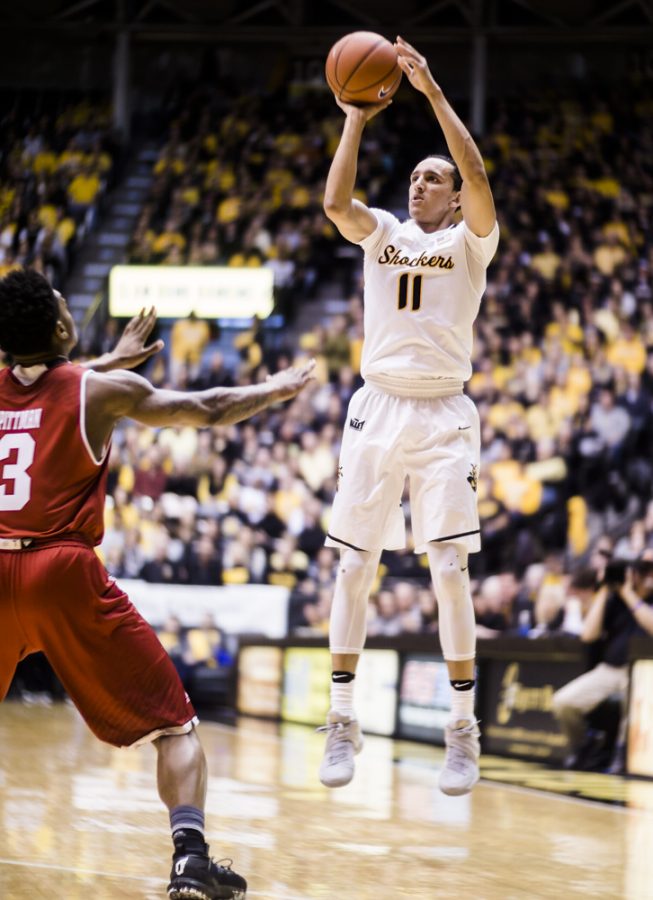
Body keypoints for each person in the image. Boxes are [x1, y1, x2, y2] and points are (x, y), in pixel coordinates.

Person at [0, 268, 315, 900]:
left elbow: (42, 383)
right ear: (62, 327)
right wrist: (277, 388)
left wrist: (106, 359)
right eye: (67, 310)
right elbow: (207, 408)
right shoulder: (101, 391)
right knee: (174, 725)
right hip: (62, 570)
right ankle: (190, 862)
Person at [318, 36, 499, 796]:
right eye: (417, 177)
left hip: (443, 414)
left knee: (448, 570)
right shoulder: (384, 233)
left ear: (455, 197)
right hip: (377, 407)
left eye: (435, 180)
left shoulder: (470, 242)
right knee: (354, 565)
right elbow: (333, 203)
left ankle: (462, 731)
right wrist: (355, 118)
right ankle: (340, 718)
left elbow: (480, 172)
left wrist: (427, 92)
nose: (421, 185)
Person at [552, 557, 653, 773]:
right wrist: (605, 590)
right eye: (639, 570)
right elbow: (588, 635)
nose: (644, 575)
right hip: (610, 669)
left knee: (634, 692)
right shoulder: (613, 599)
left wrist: (629, 593)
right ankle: (584, 747)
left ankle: (621, 752)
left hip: (644, 671)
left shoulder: (640, 597)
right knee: (563, 702)